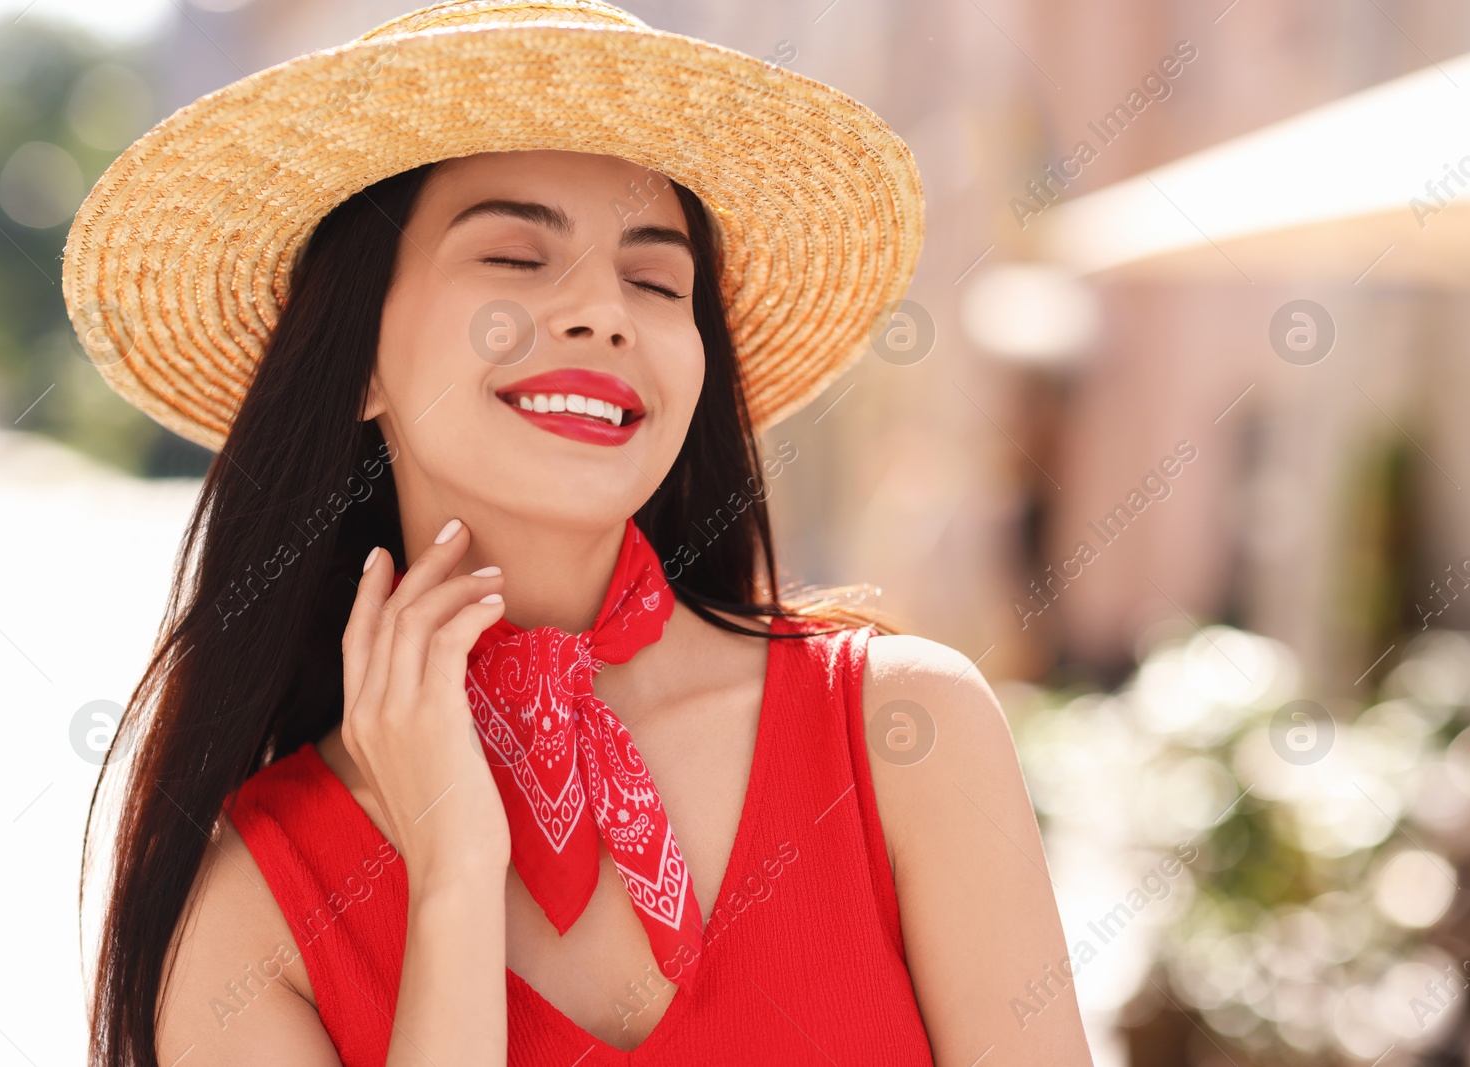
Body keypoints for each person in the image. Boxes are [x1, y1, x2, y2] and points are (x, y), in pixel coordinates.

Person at [68, 2, 1091, 1064]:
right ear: (358, 356)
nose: (604, 310)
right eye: (515, 256)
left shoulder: (901, 733)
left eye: (656, 279)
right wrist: (455, 865)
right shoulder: (249, 907)